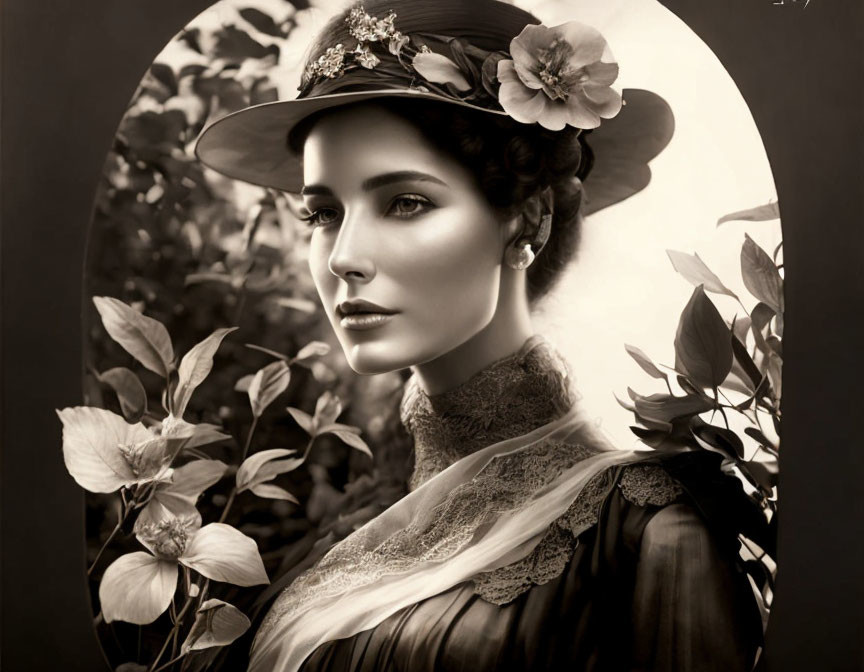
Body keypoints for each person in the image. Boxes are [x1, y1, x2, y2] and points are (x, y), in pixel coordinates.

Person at [195, 1, 765, 670]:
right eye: (321, 213)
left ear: (527, 220)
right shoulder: (341, 534)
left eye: (405, 202)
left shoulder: (647, 530)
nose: (344, 255)